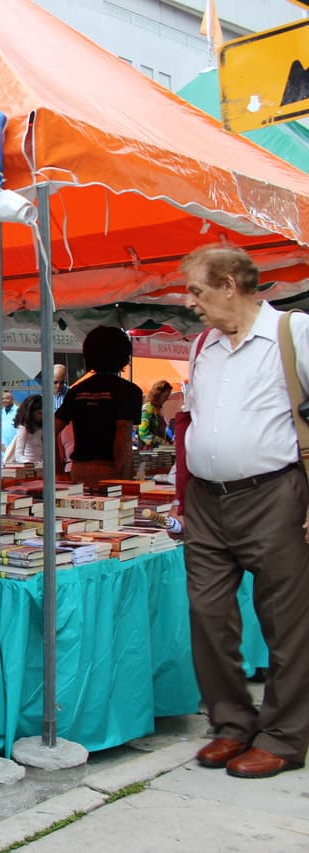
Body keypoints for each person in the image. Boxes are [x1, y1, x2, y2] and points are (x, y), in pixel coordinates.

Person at [178, 244, 309, 780]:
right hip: (207, 501)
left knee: (287, 622)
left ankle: (283, 735)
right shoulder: (203, 344)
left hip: (274, 495)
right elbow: (193, 422)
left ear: (230, 284)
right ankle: (231, 723)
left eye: (196, 290)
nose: (190, 302)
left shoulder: (293, 333)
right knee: (208, 615)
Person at [55, 326, 142, 484]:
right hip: (110, 472)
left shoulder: (77, 391)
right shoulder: (129, 391)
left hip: (79, 472)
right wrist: (125, 483)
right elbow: (122, 442)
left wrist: (58, 471)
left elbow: (49, 431)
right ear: (124, 355)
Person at [4, 394, 45, 464]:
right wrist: (29, 463)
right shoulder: (24, 427)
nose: (42, 416)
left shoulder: (42, 425)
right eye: (39, 413)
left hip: (41, 467)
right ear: (31, 413)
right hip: (30, 468)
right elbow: (18, 455)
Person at [138, 380, 172, 449]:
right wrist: (163, 442)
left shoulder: (158, 409)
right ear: (158, 394)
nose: (168, 399)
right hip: (149, 454)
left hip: (159, 452)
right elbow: (143, 434)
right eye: (166, 396)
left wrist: (170, 441)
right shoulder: (148, 408)